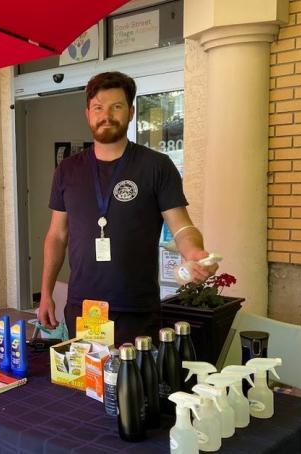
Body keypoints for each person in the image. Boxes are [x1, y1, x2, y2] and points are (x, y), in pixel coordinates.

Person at [36, 71, 218, 346]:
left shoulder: (156, 166)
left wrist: (194, 252)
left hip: (136, 310)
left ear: (131, 112)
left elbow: (182, 226)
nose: (106, 115)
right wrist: (46, 292)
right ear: (87, 114)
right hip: (83, 308)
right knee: (86, 387)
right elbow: (57, 235)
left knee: (132, 387)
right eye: (98, 107)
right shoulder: (67, 170)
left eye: (116, 106)